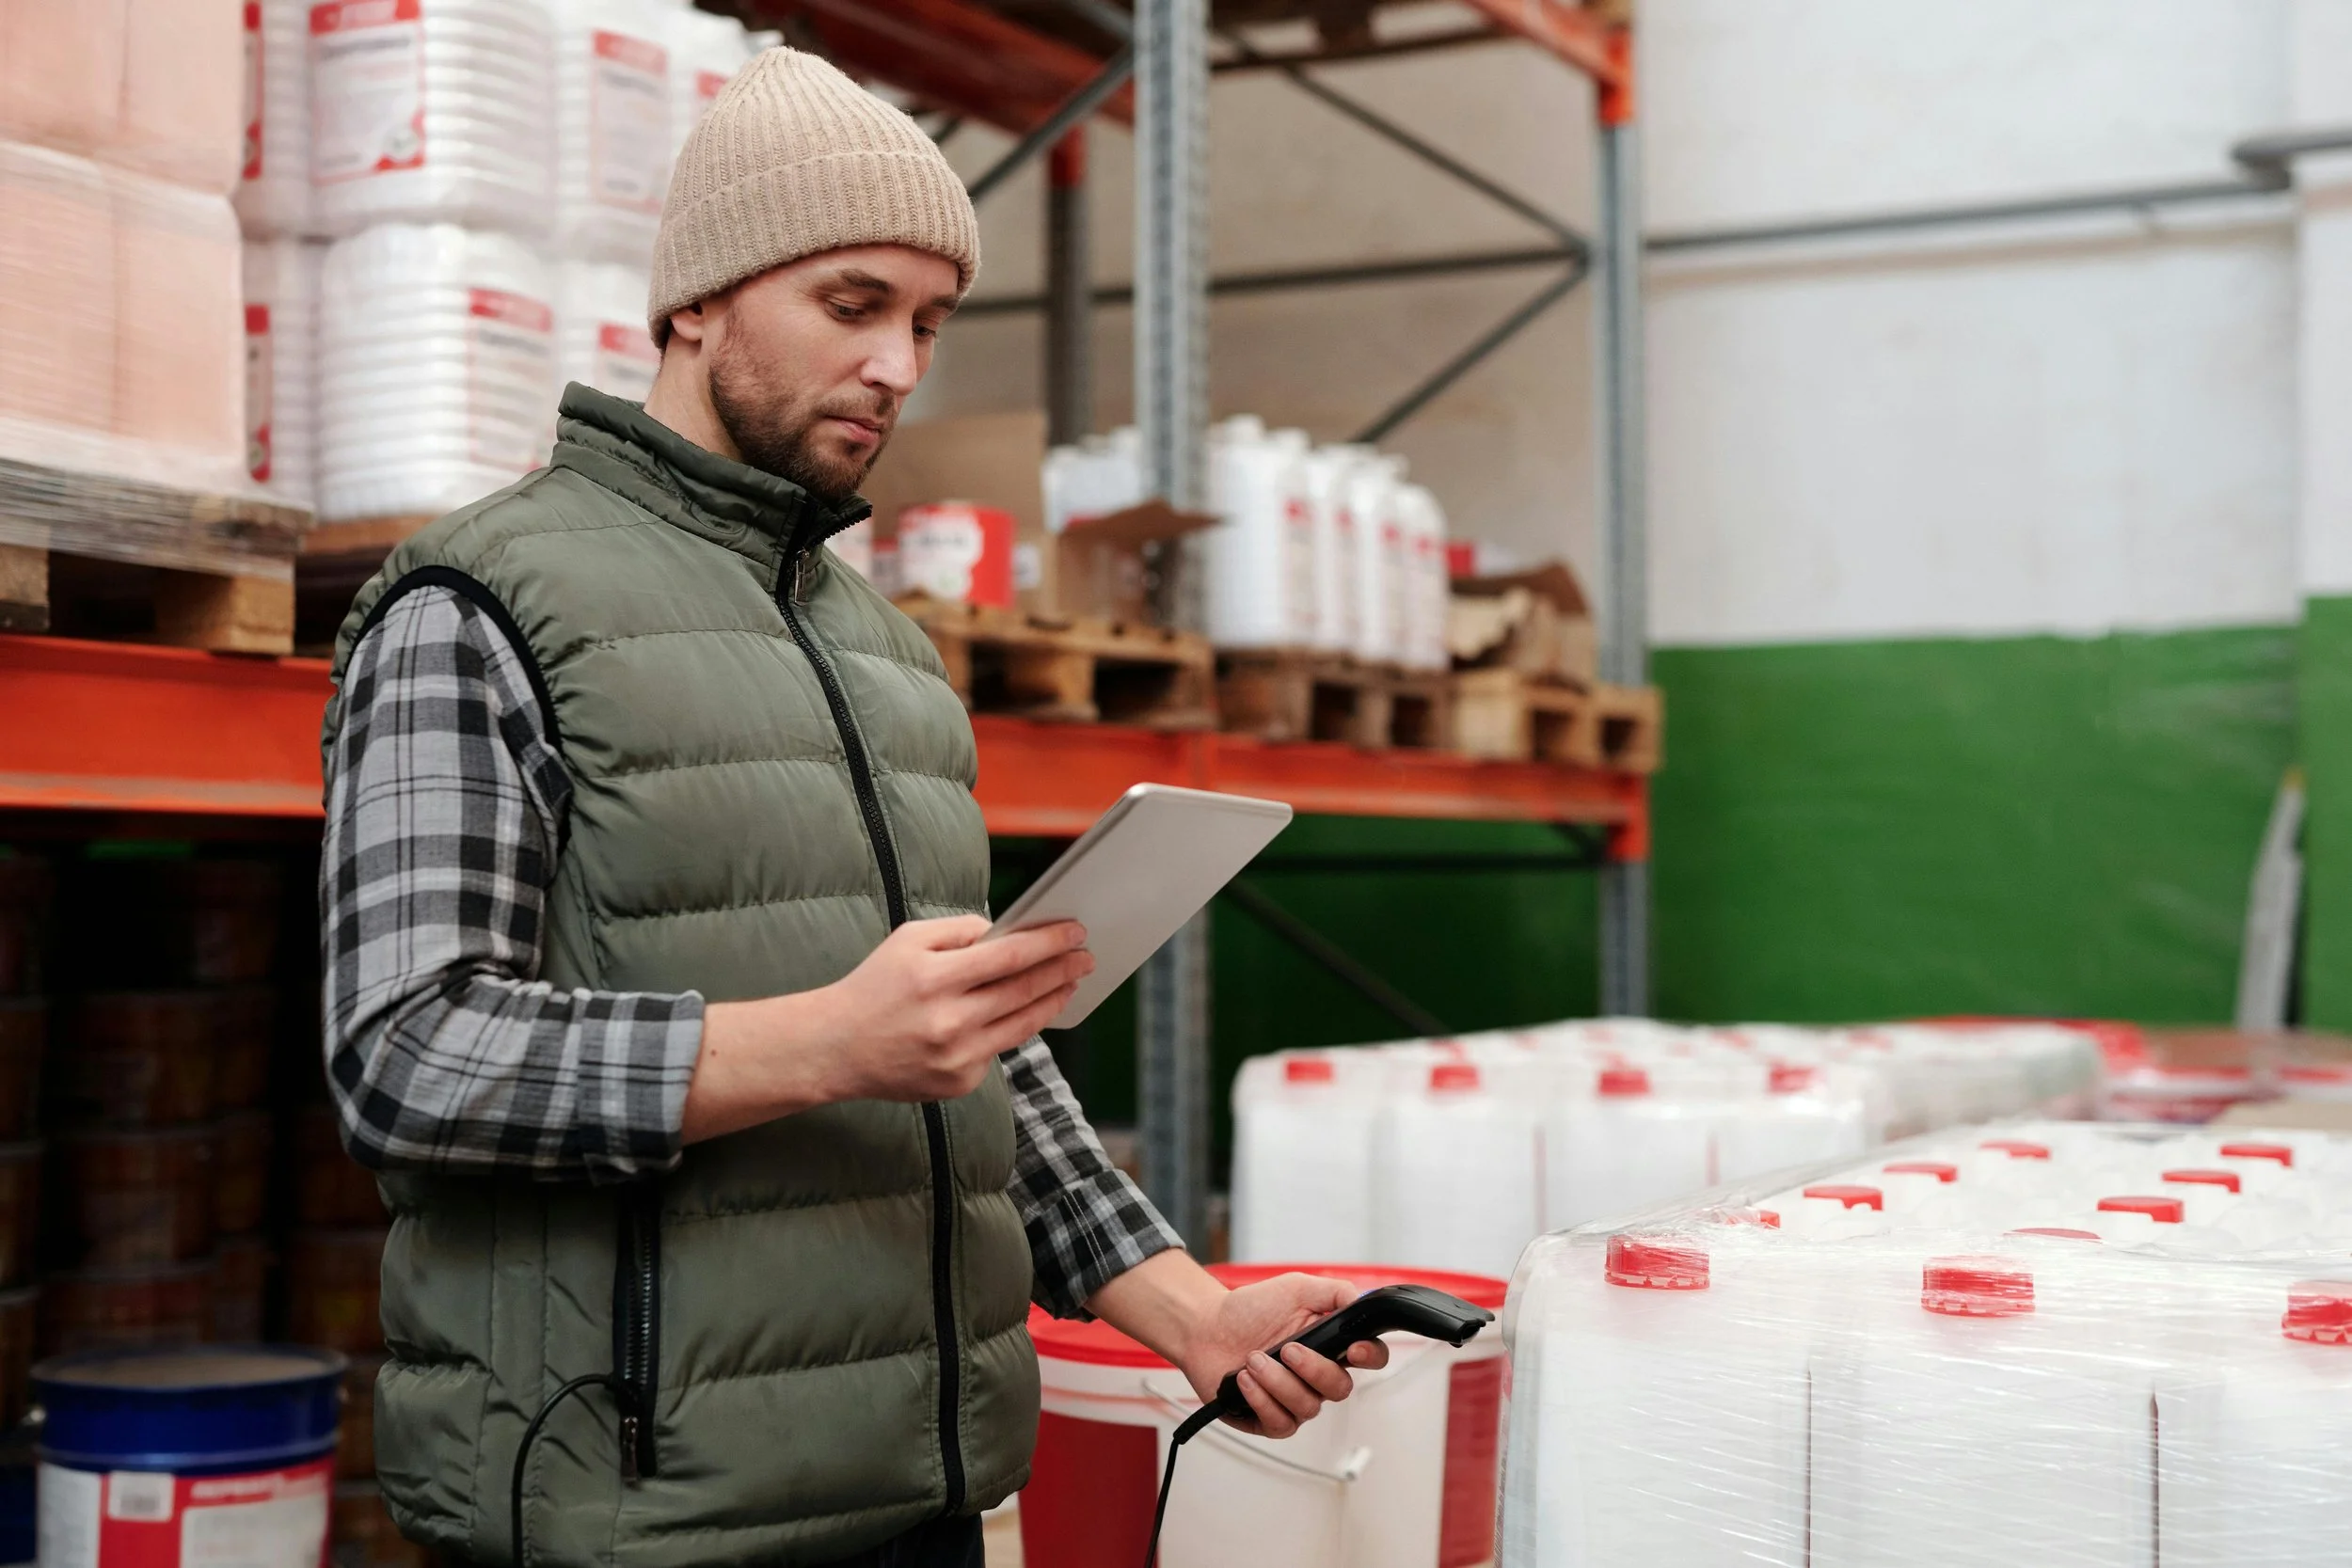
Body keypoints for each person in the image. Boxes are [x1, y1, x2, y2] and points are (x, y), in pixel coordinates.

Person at [317, 44, 1384, 1568]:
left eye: (930, 321)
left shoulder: (884, 650)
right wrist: (832, 1038)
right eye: (852, 304)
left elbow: (969, 1052)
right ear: (699, 299)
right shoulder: (478, 604)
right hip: (632, 1516)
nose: (899, 362)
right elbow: (407, 1054)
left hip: (919, 1501)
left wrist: (1190, 1310)